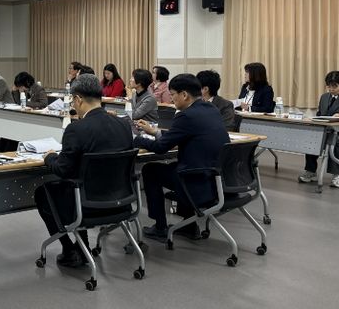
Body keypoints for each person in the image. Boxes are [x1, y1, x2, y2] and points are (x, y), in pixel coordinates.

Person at [35, 74, 133, 267]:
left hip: (87, 205)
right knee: (82, 183)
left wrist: (49, 157)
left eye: (73, 100)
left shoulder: (76, 129)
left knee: (43, 193)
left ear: (78, 99)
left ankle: (70, 249)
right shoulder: (123, 124)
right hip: (122, 202)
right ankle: (82, 246)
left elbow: (62, 170)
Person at [133, 74, 230, 241]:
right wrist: (155, 132)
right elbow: (180, 135)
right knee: (176, 166)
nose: (171, 99)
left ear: (184, 95)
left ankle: (160, 227)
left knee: (150, 170)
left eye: (173, 95)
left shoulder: (186, 115)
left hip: (196, 180)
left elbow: (161, 148)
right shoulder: (211, 109)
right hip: (215, 178)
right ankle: (188, 226)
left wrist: (137, 139)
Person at [298, 71, 339, 187]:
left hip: (337, 132)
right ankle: (311, 172)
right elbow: (320, 114)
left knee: (336, 143)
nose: (331, 89)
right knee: (312, 140)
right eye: (329, 86)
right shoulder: (324, 97)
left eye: (334, 86)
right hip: (325, 130)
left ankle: (337, 175)